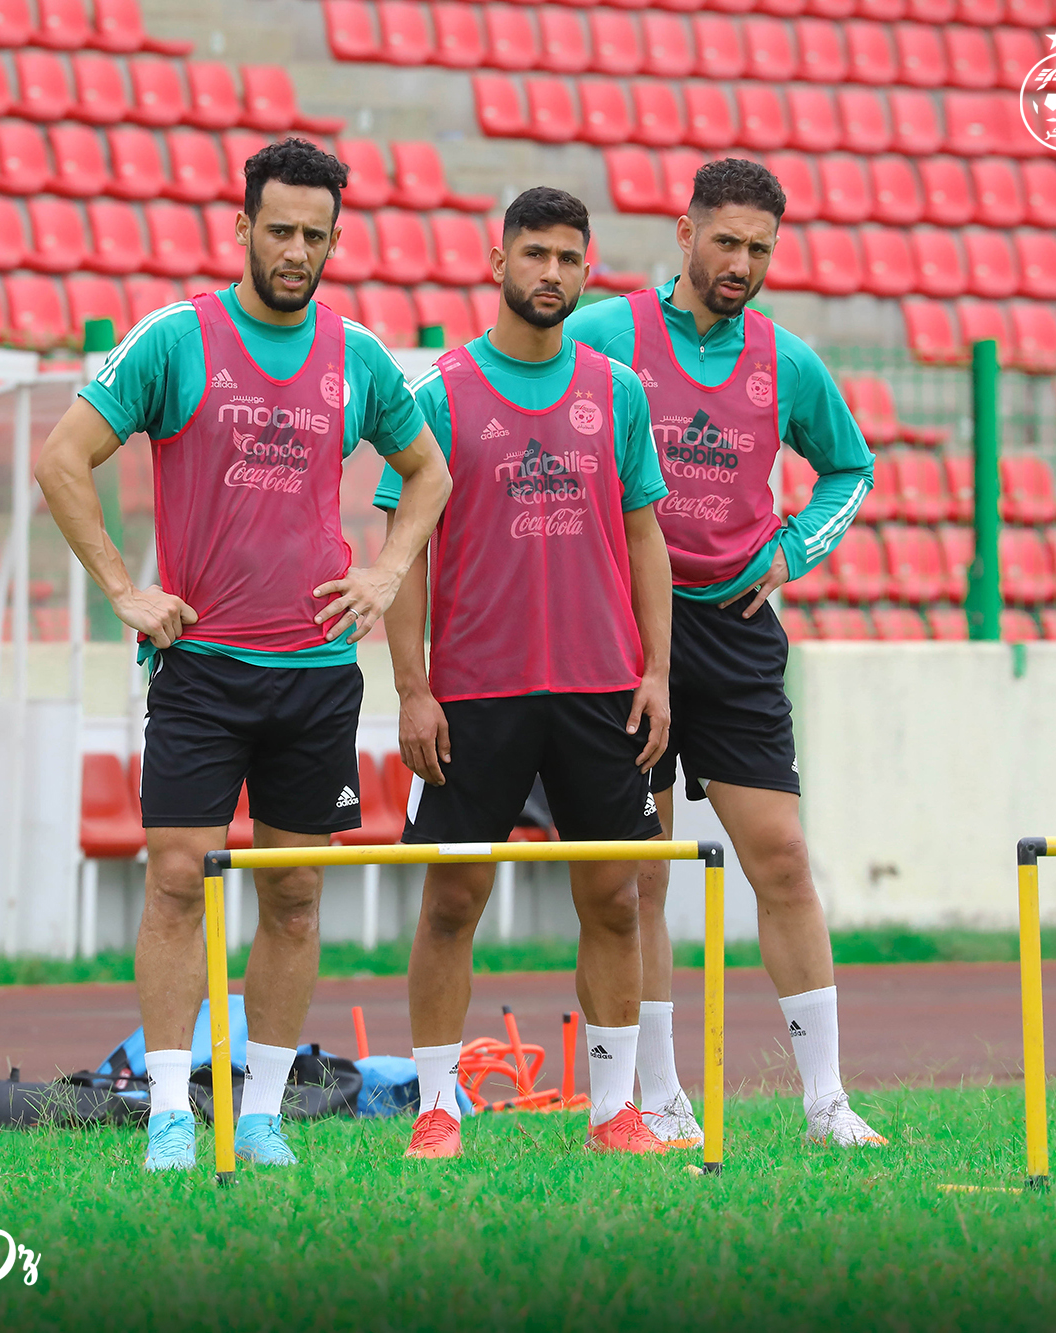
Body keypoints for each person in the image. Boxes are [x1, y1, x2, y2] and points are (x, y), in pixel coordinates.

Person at [36, 139, 451, 1172]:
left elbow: (429, 472)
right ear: (241, 228)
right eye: (279, 231)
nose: (296, 251)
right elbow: (62, 458)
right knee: (178, 880)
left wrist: (386, 571)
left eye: (315, 235)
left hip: (315, 675)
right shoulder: (178, 338)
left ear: (334, 239)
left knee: (295, 894)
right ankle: (169, 1114)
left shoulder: (355, 354)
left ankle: (259, 1114)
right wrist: (123, 589)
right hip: (202, 667)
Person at [565, 157, 885, 1148]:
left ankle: (826, 1102)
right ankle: (660, 1097)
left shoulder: (786, 360)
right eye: (726, 242)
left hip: (737, 630)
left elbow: (850, 468)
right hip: (625, 632)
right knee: (642, 876)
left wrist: (792, 551)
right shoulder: (604, 335)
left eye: (759, 248)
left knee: (781, 858)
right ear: (684, 232)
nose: (741, 263)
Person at [375, 187, 675, 1159]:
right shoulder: (437, 392)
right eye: (534, 253)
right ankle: (435, 1107)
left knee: (613, 898)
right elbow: (404, 551)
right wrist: (412, 688)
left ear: (587, 271)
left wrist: (657, 671)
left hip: (600, 689)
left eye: (568, 258)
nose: (551, 272)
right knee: (451, 900)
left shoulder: (615, 389)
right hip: (474, 694)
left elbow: (644, 536)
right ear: (496, 261)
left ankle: (613, 1110)